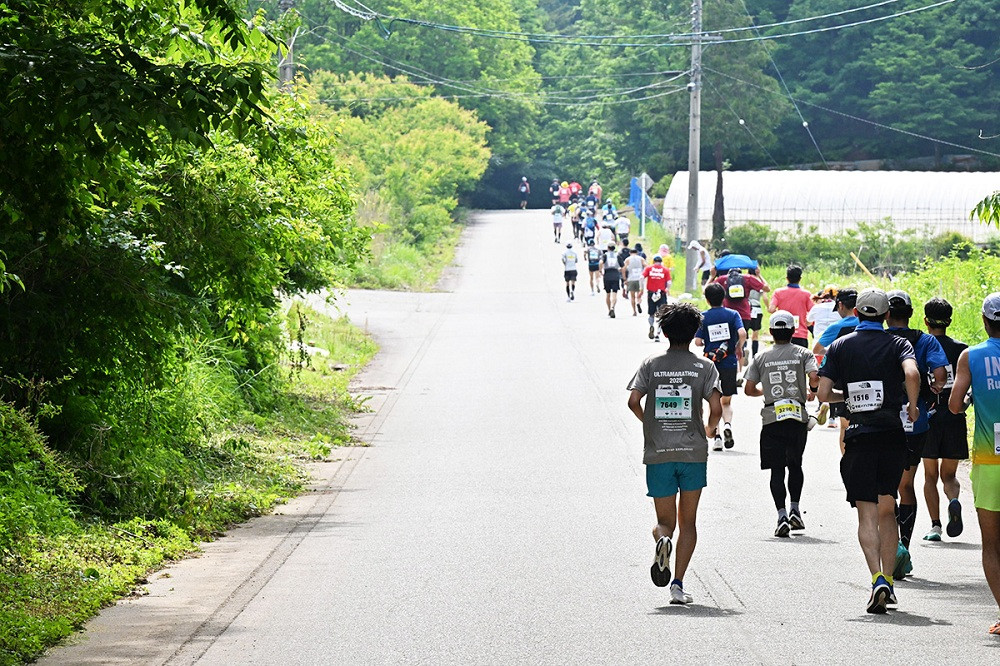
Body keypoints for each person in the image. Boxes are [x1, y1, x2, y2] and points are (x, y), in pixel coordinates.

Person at [818, 288, 920, 614]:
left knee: (867, 514)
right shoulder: (898, 343)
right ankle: (888, 581)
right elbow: (912, 373)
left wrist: (844, 398)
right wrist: (913, 405)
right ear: (886, 315)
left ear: (858, 314)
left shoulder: (840, 345)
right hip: (892, 436)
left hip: (859, 437)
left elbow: (822, 392)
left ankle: (876, 576)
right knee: (888, 508)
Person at [627, 301, 722, 603]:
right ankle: (677, 585)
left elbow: (633, 401)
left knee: (665, 521)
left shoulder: (650, 364)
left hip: (659, 452)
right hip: (692, 453)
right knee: (689, 522)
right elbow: (716, 408)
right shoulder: (704, 367)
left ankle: (662, 540)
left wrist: (650, 424)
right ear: (695, 331)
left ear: (664, 331)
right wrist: (709, 428)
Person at [885, 290, 948, 580]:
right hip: (916, 420)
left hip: (881, 420)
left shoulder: (879, 339)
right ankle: (903, 547)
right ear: (911, 315)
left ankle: (888, 550)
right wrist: (933, 389)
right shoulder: (926, 340)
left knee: (885, 485)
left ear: (886, 314)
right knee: (906, 483)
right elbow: (940, 375)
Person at [948, 293, 1000, 636]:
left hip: (989, 461)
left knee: (992, 542)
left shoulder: (972, 356)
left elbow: (954, 406)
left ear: (984, 321)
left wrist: (970, 396)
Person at [744, 311, 820, 537]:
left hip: (772, 417)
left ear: (771, 332)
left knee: (777, 469)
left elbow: (748, 389)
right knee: (795, 464)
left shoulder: (761, 358)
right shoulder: (803, 353)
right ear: (792, 331)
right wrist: (812, 391)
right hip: (797, 417)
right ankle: (796, 509)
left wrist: (765, 391)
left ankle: (781, 516)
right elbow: (814, 377)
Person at [922, 297, 969, 542]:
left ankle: (935, 526)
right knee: (949, 476)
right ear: (949, 321)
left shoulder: (921, 345)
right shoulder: (961, 349)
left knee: (930, 476)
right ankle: (953, 500)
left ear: (925, 321)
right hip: (954, 415)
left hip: (928, 416)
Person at [695, 283, 745, 451]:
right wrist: (739, 346)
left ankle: (716, 437)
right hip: (729, 362)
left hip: (711, 364)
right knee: (726, 401)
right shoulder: (733, 314)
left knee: (713, 400)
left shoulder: (703, 317)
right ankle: (728, 425)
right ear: (724, 297)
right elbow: (742, 333)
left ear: (707, 300)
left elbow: (697, 341)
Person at [814, 288, 860, 439]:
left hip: (844, 381)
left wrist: (836, 353)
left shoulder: (837, 327)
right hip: (870, 375)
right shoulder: (868, 323)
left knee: (845, 426)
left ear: (840, 305)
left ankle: (847, 461)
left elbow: (817, 349)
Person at [714, 265, 769, 367]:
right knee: (741, 342)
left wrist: (712, 276)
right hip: (744, 315)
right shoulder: (748, 279)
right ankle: (740, 371)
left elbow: (706, 290)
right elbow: (767, 288)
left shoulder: (722, 279)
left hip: (727, 314)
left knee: (727, 341)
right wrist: (759, 275)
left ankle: (729, 366)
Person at [768, 265, 813, 348]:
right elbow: (813, 312)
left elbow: (771, 309)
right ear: (800, 279)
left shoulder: (778, 292)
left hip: (782, 333)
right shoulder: (806, 294)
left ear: (787, 278)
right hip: (801, 335)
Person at [644, 256, 670, 342]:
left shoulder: (649, 268)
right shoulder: (665, 270)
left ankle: (651, 325)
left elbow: (641, 277)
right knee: (662, 314)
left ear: (653, 261)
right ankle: (658, 334)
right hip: (661, 294)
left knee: (651, 313)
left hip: (651, 293)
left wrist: (641, 289)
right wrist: (667, 289)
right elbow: (669, 282)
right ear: (661, 262)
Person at [601, 243, 621, 318]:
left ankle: (609, 309)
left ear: (608, 248)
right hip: (615, 274)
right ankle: (613, 307)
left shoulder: (605, 255)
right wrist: (623, 276)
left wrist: (600, 271)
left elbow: (600, 262)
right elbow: (623, 266)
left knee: (608, 293)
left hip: (607, 274)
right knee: (615, 293)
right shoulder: (617, 255)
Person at [623, 248, 646, 317]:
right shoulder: (641, 259)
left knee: (632, 297)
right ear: (637, 253)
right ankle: (638, 302)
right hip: (640, 279)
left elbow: (624, 269)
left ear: (630, 253)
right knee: (639, 295)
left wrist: (624, 279)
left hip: (631, 279)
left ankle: (634, 311)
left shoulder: (627, 259)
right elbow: (646, 266)